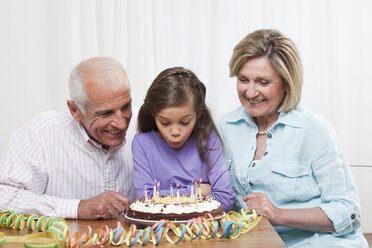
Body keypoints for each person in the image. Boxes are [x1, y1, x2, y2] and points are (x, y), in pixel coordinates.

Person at [217, 29, 368, 247]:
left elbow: (348, 211)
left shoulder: (314, 129)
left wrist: (278, 214)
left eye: (263, 82)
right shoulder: (225, 128)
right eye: (243, 79)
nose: (250, 92)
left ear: (286, 83)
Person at [0, 57, 137, 220]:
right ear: (75, 110)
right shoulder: (40, 134)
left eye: (125, 107)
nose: (121, 124)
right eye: (105, 113)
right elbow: (4, 196)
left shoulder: (145, 123)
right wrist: (78, 208)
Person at [132, 67, 234, 212]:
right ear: (153, 115)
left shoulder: (209, 139)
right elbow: (145, 200)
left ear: (198, 114)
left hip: (204, 233)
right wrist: (198, 190)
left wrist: (163, 198)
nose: (175, 132)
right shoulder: (142, 143)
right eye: (165, 123)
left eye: (185, 122)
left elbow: (225, 199)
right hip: (158, 232)